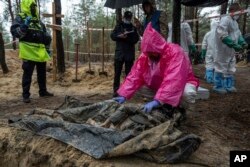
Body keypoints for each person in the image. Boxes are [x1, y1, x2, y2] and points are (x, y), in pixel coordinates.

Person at [113, 23, 199, 113]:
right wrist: (123, 94)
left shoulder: (175, 52)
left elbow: (174, 79)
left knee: (187, 94)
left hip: (182, 83)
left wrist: (158, 100)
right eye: (148, 53)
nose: (149, 55)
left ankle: (178, 107)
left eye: (152, 52)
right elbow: (135, 75)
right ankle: (164, 101)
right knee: (137, 87)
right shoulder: (147, 55)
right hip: (161, 84)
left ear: (158, 47)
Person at [11, 0, 53, 103]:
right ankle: (26, 95)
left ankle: (43, 92)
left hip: (40, 52)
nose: (33, 7)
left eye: (34, 6)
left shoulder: (38, 21)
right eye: (31, 5)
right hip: (28, 52)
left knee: (42, 73)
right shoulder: (21, 17)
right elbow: (15, 33)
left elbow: (45, 35)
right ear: (26, 5)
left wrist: (47, 48)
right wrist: (24, 26)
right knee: (27, 74)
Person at [213, 3, 248, 94]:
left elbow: (238, 34)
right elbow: (222, 34)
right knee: (220, 66)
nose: (239, 15)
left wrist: (242, 42)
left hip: (231, 50)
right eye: (238, 12)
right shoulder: (225, 19)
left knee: (230, 67)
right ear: (232, 11)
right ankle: (218, 86)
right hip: (223, 49)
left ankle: (228, 85)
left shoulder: (234, 22)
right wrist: (233, 44)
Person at [111, 11, 139, 97]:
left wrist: (127, 38)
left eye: (129, 18)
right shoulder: (119, 26)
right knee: (117, 73)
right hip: (119, 53)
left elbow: (135, 40)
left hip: (129, 54)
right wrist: (119, 36)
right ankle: (116, 91)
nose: (128, 19)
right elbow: (112, 36)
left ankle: (127, 91)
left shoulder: (133, 28)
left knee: (129, 74)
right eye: (127, 18)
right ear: (124, 17)